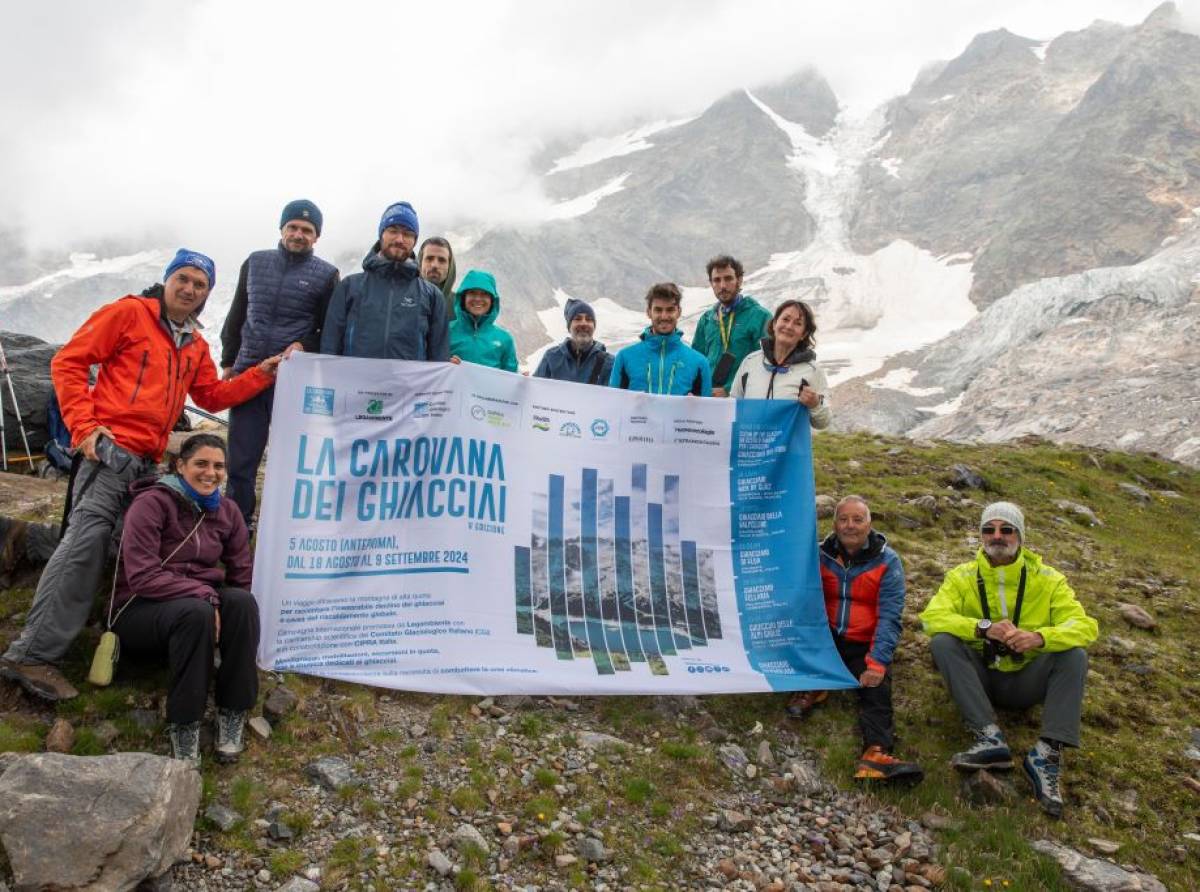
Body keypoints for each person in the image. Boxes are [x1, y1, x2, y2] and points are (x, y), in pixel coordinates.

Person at [0, 251, 283, 702]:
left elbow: (210, 395)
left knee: (139, 550)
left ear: (207, 294)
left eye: (200, 285)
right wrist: (84, 427)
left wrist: (261, 376)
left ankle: (125, 642)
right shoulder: (130, 313)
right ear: (167, 280)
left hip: (147, 464)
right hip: (109, 454)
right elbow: (69, 362)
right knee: (84, 547)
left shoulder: (192, 343)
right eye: (183, 279)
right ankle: (32, 653)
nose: (190, 289)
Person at [920, 502, 1098, 817]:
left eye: (1006, 529)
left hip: (1027, 679)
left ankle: (1046, 754)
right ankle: (989, 738)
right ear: (981, 535)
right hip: (980, 679)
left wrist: (1039, 637)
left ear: (1020, 535)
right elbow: (932, 617)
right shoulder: (962, 576)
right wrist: (981, 628)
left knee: (1074, 654)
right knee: (943, 641)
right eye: (989, 529)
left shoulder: (1049, 579)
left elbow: (1085, 626)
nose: (997, 536)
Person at [110, 433, 259, 767]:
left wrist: (230, 615)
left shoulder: (228, 511)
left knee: (243, 603)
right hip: (139, 608)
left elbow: (240, 572)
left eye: (219, 466)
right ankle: (185, 724)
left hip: (196, 606)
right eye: (201, 464)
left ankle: (232, 712)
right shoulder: (151, 504)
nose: (211, 473)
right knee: (196, 613)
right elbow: (142, 576)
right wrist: (206, 596)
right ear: (180, 466)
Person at [220, 199, 340, 527]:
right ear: (282, 228)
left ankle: (283, 532)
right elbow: (237, 314)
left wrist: (305, 344)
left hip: (292, 379)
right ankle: (236, 530)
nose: (299, 234)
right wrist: (229, 360)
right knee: (241, 459)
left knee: (290, 461)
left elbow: (328, 328)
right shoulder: (255, 262)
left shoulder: (327, 275)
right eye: (294, 227)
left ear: (317, 237)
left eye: (307, 230)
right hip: (248, 373)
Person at [789, 496, 923, 783]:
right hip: (824, 637)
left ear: (869, 524)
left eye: (857, 519)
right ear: (834, 523)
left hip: (864, 641)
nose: (850, 525)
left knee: (876, 686)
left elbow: (890, 617)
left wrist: (877, 662)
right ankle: (814, 687)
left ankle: (875, 754)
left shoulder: (888, 561)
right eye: (843, 519)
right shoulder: (818, 555)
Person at [320, 202, 450, 361]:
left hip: (408, 385)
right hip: (356, 383)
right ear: (381, 234)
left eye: (408, 234)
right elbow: (329, 349)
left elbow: (439, 357)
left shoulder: (432, 296)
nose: (400, 239)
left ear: (415, 241)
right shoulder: (349, 287)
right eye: (393, 231)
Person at [731, 299, 831, 428]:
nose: (789, 326)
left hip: (788, 448)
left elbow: (823, 423)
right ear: (774, 324)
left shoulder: (812, 370)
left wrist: (815, 404)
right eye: (785, 319)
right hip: (751, 446)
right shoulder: (750, 362)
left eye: (798, 323)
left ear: (803, 334)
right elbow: (733, 406)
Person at [610, 283, 711, 396]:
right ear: (649, 312)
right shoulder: (624, 357)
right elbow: (614, 405)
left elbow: (706, 411)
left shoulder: (699, 363)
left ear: (679, 312)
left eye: (670, 310)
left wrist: (696, 405)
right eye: (658, 310)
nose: (664, 316)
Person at [691, 255, 771, 397]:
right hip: (708, 399)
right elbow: (696, 362)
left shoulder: (760, 317)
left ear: (739, 280)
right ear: (711, 283)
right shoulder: (707, 320)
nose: (722, 285)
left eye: (728, 278)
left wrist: (729, 390)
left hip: (741, 401)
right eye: (717, 280)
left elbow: (765, 363)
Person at [448, 270, 518, 371]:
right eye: (472, 292)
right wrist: (446, 364)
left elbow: (511, 378)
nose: (478, 298)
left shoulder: (504, 339)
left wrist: (522, 380)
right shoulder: (445, 332)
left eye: (484, 294)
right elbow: (433, 367)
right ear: (463, 297)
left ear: (492, 300)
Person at [533, 298, 613, 385]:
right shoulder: (551, 357)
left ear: (594, 326)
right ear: (569, 326)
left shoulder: (609, 363)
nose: (583, 323)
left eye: (589, 319)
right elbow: (535, 390)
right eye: (578, 319)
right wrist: (524, 383)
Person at [418, 236, 457, 317]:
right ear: (420, 262)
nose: (434, 265)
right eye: (429, 258)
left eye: (442, 260)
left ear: (449, 266)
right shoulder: (404, 300)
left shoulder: (460, 305)